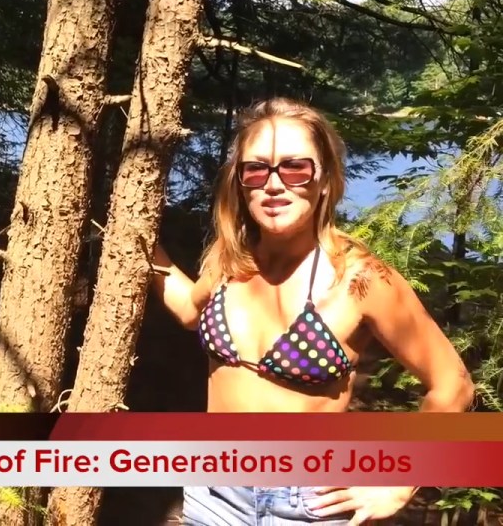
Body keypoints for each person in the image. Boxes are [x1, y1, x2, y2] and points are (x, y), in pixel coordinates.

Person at [149, 97, 475, 525]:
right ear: (240, 183)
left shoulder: (361, 280)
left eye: (294, 167)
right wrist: (142, 245)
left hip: (307, 505)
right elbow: (191, 311)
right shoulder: (231, 263)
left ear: (323, 179)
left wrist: (400, 482)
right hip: (213, 493)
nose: (274, 184)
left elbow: (453, 385)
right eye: (256, 169)